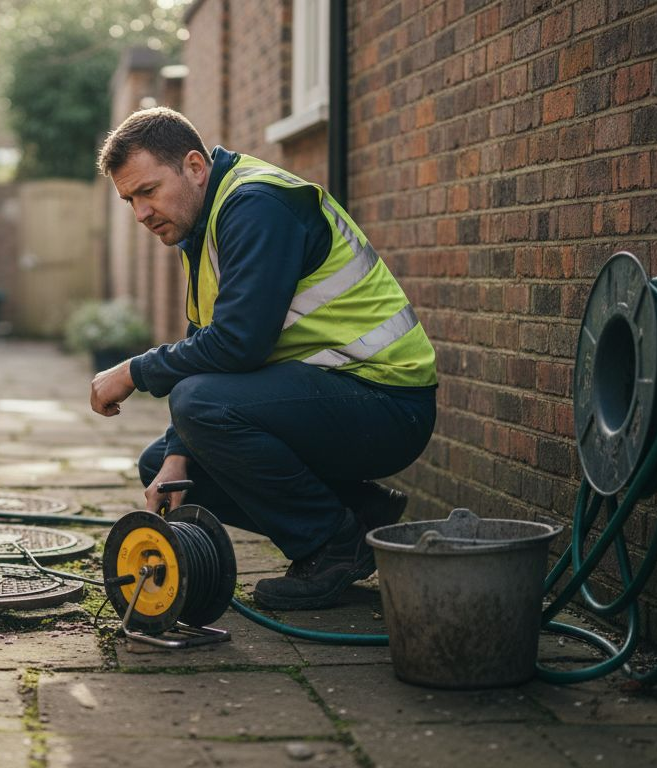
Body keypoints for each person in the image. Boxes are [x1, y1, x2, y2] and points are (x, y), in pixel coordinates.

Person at [89, 107, 438, 610]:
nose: (141, 213)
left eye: (148, 191)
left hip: (388, 403)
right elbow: (209, 343)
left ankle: (331, 545)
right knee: (165, 468)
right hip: (333, 395)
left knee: (198, 403)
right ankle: (358, 513)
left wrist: (133, 371)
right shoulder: (207, 222)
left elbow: (237, 345)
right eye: (130, 200)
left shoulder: (256, 205)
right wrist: (175, 453)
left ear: (193, 166)